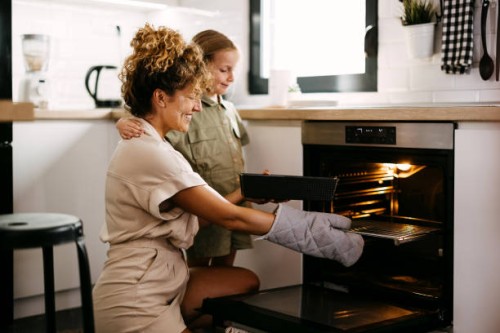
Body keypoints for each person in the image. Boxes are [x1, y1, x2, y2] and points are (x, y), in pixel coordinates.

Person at [93, 23, 364, 333]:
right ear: (161, 98)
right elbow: (230, 219)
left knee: (244, 281)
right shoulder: (152, 154)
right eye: (190, 97)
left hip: (166, 278)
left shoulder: (154, 147)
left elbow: (202, 214)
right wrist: (317, 233)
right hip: (136, 300)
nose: (197, 106)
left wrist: (243, 192)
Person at [116, 29, 261, 268]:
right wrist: (123, 122)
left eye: (234, 70)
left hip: (236, 202)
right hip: (202, 214)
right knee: (198, 271)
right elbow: (145, 118)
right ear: (200, 68)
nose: (231, 78)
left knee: (226, 272)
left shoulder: (230, 111)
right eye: (224, 70)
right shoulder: (181, 113)